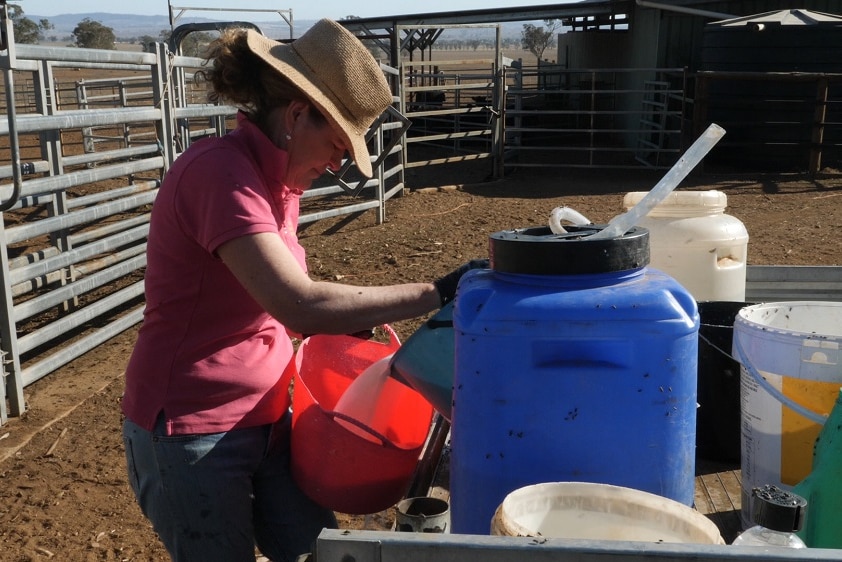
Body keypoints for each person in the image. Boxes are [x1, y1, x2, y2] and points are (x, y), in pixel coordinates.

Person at [120, 19, 485, 562]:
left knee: (319, 552)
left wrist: (338, 320)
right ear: (295, 115)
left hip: (271, 416)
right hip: (192, 429)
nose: (338, 163)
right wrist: (439, 290)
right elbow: (297, 301)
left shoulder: (278, 185)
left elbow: (275, 306)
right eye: (337, 143)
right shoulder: (220, 174)